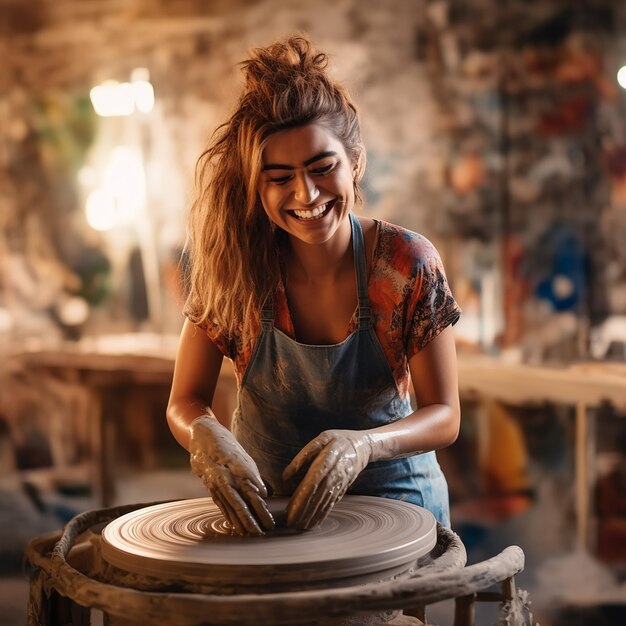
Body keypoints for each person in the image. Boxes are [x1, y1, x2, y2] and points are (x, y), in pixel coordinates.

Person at [166, 35, 461, 536]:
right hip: (270, 514)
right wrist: (204, 435)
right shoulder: (236, 266)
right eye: (279, 178)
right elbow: (184, 400)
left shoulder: (406, 263)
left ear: (355, 162)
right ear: (255, 186)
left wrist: (364, 445)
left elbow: (445, 415)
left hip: (397, 511)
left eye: (322, 168)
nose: (306, 194)